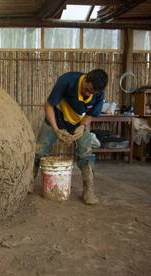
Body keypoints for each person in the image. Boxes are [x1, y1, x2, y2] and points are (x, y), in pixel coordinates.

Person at [33, 69, 108, 205]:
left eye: (91, 92)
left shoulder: (98, 94)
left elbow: (91, 114)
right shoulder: (67, 80)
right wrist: (56, 129)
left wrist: (83, 126)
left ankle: (88, 190)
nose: (87, 93)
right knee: (39, 149)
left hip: (78, 123)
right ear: (86, 79)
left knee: (86, 153)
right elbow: (49, 105)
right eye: (86, 89)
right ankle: (28, 183)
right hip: (57, 118)